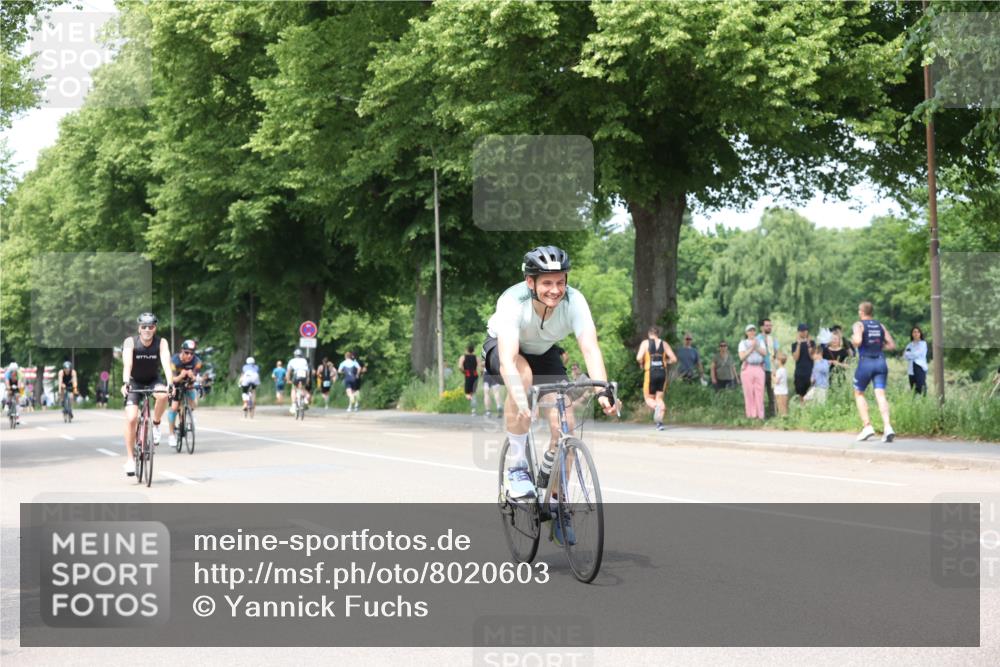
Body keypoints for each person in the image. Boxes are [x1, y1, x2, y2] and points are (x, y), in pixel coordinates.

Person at [482, 245, 618, 546]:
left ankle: (557, 503)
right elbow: (507, 360)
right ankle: (517, 467)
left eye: (560, 282)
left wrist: (602, 392)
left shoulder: (575, 301)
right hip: (505, 348)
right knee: (523, 377)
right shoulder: (512, 301)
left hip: (544, 353)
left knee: (565, 422)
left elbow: (590, 348)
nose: (554, 290)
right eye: (546, 282)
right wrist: (520, 397)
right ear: (531, 282)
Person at [121, 313, 173, 477]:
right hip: (134, 381)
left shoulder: (161, 342)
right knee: (131, 419)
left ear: (155, 328)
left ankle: (156, 424)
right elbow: (127, 364)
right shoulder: (130, 342)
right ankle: (130, 459)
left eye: (151, 327)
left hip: (152, 380)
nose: (147, 330)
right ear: (139, 328)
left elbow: (166, 363)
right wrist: (125, 383)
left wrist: (170, 383)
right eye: (144, 326)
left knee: (163, 395)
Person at [852, 301, 897, 442]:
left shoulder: (858, 325)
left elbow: (858, 341)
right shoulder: (880, 325)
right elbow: (892, 345)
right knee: (880, 394)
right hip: (880, 362)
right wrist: (877, 346)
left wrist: (854, 340)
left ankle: (867, 426)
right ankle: (888, 427)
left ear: (861, 312)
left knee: (859, 393)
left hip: (866, 362)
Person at [635, 325, 677, 431]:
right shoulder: (664, 344)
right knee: (659, 398)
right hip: (662, 373)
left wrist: (641, 362)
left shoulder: (645, 343)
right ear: (658, 334)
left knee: (649, 398)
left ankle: (656, 407)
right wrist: (665, 362)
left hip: (650, 372)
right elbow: (674, 359)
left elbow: (639, 357)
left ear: (649, 334)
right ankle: (660, 423)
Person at [167, 339, 202, 448]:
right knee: (174, 407)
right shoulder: (174, 361)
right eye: (187, 352)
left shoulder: (197, 362)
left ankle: (188, 414)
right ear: (182, 351)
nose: (189, 355)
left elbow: (196, 376)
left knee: (194, 401)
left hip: (188, 383)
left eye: (192, 353)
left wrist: (193, 377)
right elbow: (172, 379)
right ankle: (171, 434)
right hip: (176, 383)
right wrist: (181, 376)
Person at [738, 324, 766, 419]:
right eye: (750, 331)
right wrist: (751, 348)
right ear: (746, 333)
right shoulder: (743, 343)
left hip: (758, 367)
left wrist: (756, 347)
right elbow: (742, 357)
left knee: (760, 392)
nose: (752, 332)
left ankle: (760, 415)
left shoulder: (760, 341)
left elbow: (764, 353)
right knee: (749, 392)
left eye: (753, 330)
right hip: (748, 368)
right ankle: (751, 415)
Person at [757, 318, 780, 418]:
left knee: (773, 395)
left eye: (770, 325)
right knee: (760, 394)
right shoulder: (757, 339)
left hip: (772, 370)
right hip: (761, 369)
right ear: (761, 327)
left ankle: (773, 416)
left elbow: (776, 353)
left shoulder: (773, 339)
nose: (769, 327)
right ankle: (760, 416)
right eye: (767, 325)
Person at [791, 323, 816, 405]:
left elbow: (812, 357)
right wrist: (798, 344)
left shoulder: (812, 343)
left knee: (810, 393)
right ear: (798, 332)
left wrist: (809, 345)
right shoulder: (794, 344)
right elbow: (796, 358)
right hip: (799, 372)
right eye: (802, 331)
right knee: (800, 394)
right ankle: (802, 412)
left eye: (805, 330)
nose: (804, 332)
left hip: (810, 372)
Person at [903, 326, 928, 395]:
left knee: (921, 387)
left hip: (920, 367)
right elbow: (905, 356)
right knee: (913, 389)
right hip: (911, 369)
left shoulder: (923, 344)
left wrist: (910, 355)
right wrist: (912, 355)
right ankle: (914, 404)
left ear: (920, 333)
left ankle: (924, 402)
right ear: (912, 334)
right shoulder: (909, 345)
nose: (916, 333)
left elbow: (917, 354)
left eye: (917, 332)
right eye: (914, 332)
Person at [287, 349, 311, 413]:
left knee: (294, 389)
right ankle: (305, 399)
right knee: (302, 387)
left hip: (297, 374)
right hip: (304, 375)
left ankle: (294, 405)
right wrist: (308, 379)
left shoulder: (292, 361)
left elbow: (289, 372)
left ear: (295, 355)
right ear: (301, 355)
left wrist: (288, 380)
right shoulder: (304, 360)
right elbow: (307, 371)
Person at [458, 345, 480, 415]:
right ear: (473, 350)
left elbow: (460, 366)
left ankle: (473, 403)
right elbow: (480, 368)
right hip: (475, 375)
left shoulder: (463, 357)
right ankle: (473, 410)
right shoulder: (477, 358)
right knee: (473, 392)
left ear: (467, 350)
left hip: (468, 375)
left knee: (467, 394)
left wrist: (463, 372)